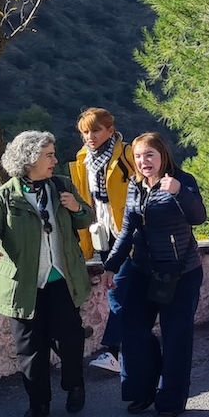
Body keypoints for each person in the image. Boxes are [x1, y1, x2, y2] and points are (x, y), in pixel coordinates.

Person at [0, 131, 93, 417]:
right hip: (24, 287)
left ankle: (75, 386)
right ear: (30, 160)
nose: (55, 160)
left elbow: (86, 219)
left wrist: (76, 207)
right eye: (49, 155)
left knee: (71, 340)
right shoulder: (4, 197)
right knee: (30, 349)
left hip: (62, 280)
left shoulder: (61, 185)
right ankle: (39, 403)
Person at [101, 133, 206, 417]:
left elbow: (198, 216)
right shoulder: (136, 185)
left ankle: (170, 399)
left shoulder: (181, 181)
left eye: (149, 155)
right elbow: (127, 229)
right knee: (133, 330)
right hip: (143, 269)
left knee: (176, 336)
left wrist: (178, 192)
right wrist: (112, 265)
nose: (143, 161)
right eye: (137, 156)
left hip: (180, 273)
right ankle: (140, 391)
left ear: (163, 155)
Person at [70, 107, 133, 375]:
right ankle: (124, 350)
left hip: (127, 230)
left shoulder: (127, 154)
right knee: (118, 288)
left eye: (95, 130)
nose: (90, 137)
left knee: (119, 288)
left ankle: (112, 350)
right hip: (102, 231)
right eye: (85, 132)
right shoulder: (83, 159)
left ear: (110, 129)